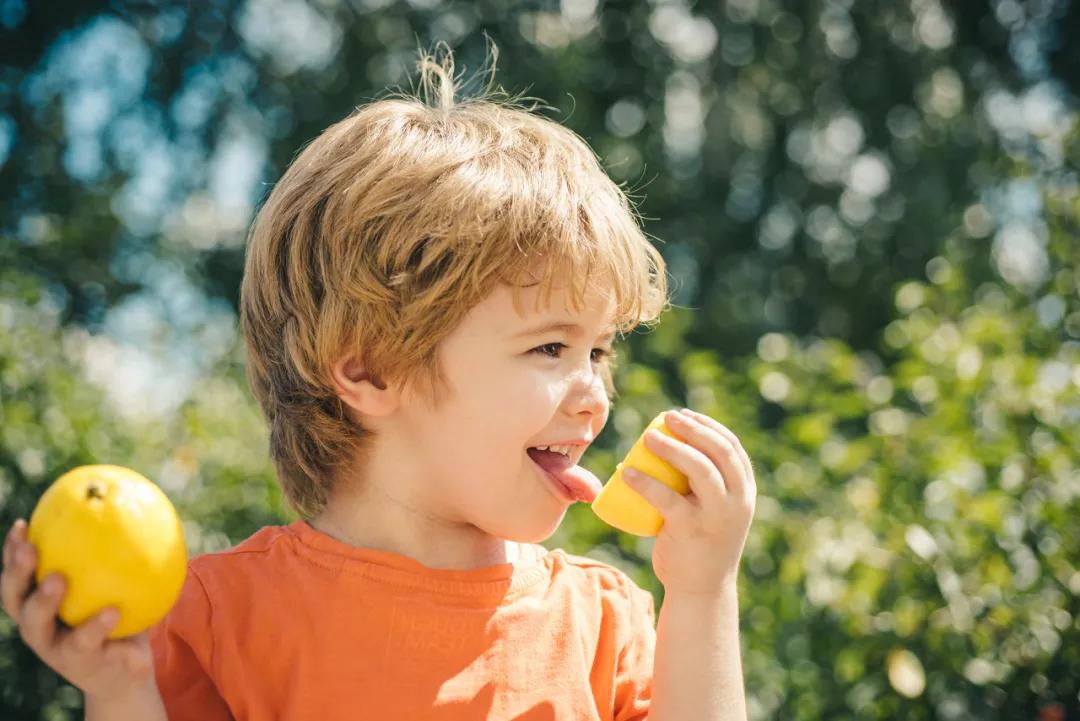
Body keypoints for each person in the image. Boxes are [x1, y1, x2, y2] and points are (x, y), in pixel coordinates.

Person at [0, 42, 756, 720]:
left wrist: (700, 593)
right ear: (372, 367)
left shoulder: (607, 624)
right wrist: (121, 690)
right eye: (550, 347)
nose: (596, 394)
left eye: (599, 352)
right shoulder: (214, 620)